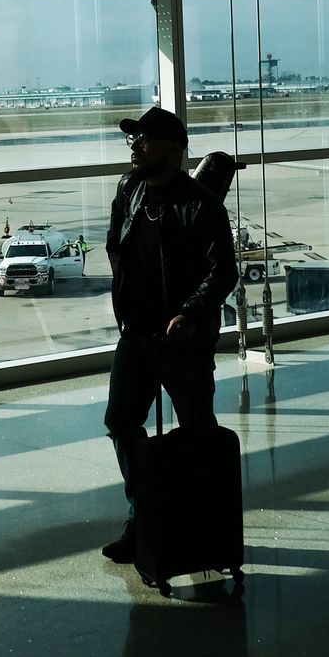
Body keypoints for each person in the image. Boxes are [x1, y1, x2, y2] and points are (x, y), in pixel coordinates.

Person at [99, 106, 239, 564]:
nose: (135, 145)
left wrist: (190, 313)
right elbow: (115, 244)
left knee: (197, 432)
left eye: (146, 139)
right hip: (136, 336)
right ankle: (145, 519)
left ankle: (200, 526)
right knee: (121, 422)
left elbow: (223, 272)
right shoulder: (129, 189)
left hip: (184, 344)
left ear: (175, 150)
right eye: (133, 138)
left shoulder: (200, 204)